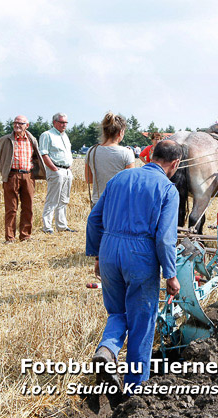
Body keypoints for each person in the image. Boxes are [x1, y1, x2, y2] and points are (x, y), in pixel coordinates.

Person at [86, 140, 182, 399]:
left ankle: (107, 349)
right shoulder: (168, 189)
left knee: (117, 312)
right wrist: (171, 274)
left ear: (150, 156)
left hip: (108, 251)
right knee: (141, 321)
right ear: (175, 164)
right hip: (139, 256)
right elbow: (164, 238)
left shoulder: (119, 178)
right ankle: (134, 389)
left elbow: (94, 219)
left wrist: (97, 255)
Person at [0, 116, 46, 243]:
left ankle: (25, 236)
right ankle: (10, 238)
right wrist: (6, 173)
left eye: (20, 123)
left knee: (28, 207)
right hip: (12, 176)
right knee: (11, 208)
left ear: (26, 125)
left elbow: (36, 157)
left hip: (28, 176)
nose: (17, 125)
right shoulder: (5, 140)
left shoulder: (31, 140)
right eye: (15, 123)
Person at [85, 112, 135, 208]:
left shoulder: (91, 151)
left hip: (97, 203)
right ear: (120, 132)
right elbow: (130, 184)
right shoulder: (127, 153)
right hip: (118, 204)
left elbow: (89, 180)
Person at [40, 113, 74, 233]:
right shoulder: (47, 135)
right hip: (57, 170)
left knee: (64, 199)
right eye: (61, 122)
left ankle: (62, 226)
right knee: (52, 199)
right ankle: (47, 227)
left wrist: (69, 167)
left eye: (65, 122)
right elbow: (44, 154)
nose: (64, 125)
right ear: (54, 122)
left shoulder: (65, 136)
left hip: (67, 170)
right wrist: (54, 169)